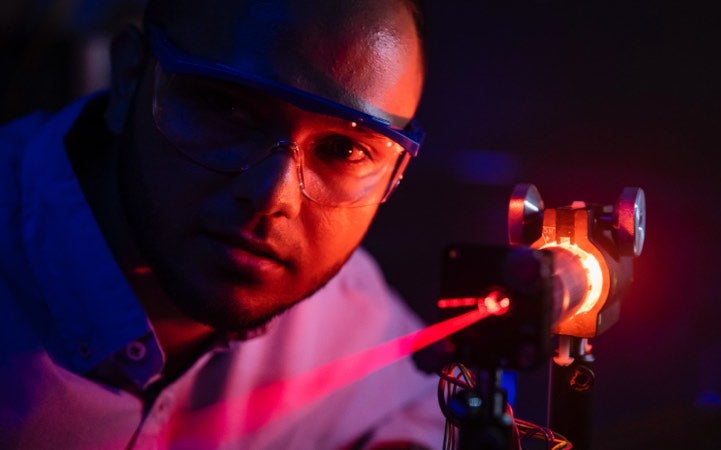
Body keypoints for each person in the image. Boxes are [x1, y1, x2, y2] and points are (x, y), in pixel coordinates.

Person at [0, 0, 445, 448]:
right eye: (224, 107)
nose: (273, 198)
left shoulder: (349, 313)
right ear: (130, 78)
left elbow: (423, 412)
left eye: (343, 150)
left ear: (395, 171)